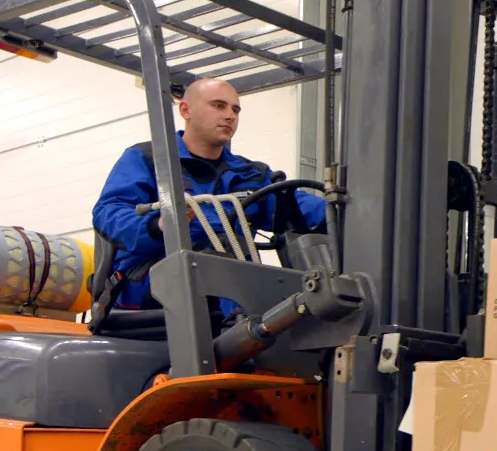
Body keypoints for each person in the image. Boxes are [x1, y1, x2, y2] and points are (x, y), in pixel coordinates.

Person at [91, 77, 328, 312]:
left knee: (297, 289)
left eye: (236, 109)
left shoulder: (250, 174)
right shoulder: (149, 160)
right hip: (150, 277)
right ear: (186, 109)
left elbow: (300, 205)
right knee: (221, 264)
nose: (230, 116)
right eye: (219, 106)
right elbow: (109, 213)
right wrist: (158, 225)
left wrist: (347, 209)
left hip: (227, 281)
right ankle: (244, 326)